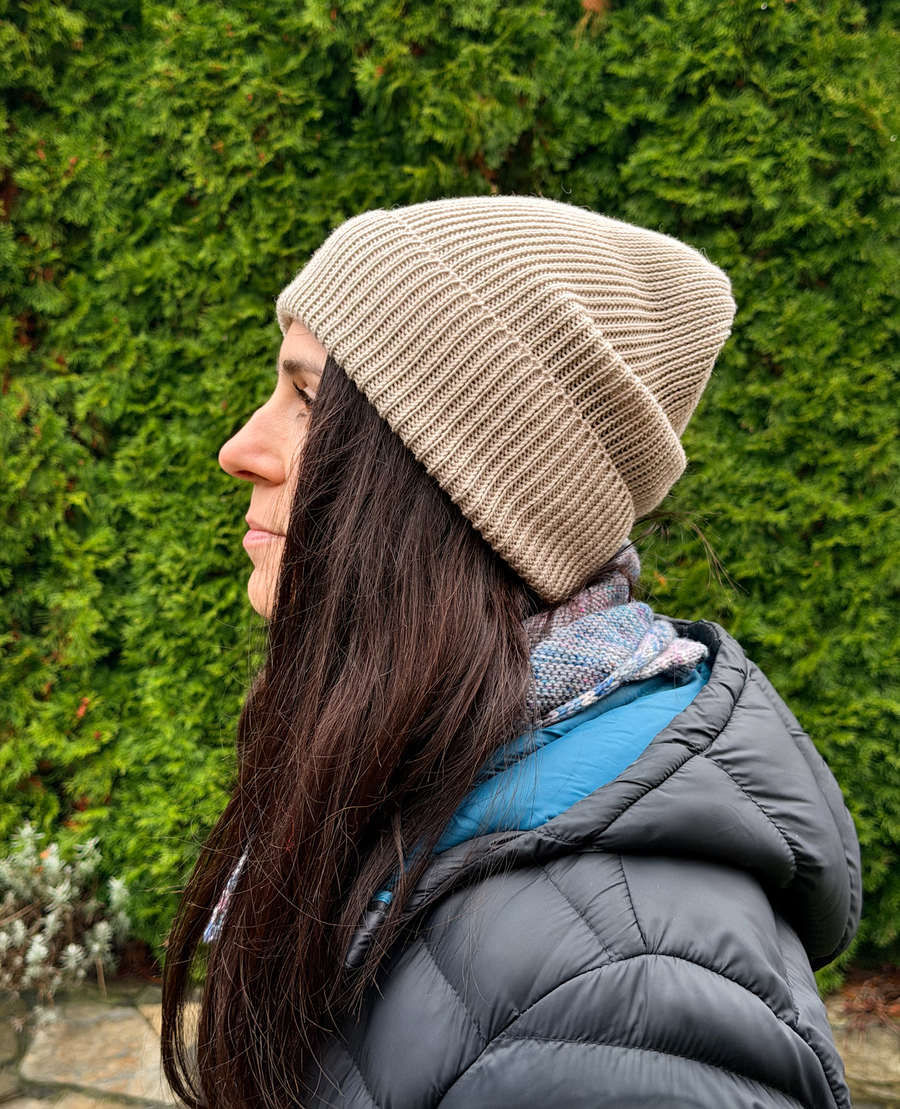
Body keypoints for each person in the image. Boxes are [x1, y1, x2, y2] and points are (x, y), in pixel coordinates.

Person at [160, 197, 861, 1109]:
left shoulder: (624, 1001)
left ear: (465, 486)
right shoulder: (412, 781)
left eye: (309, 400)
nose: (239, 449)